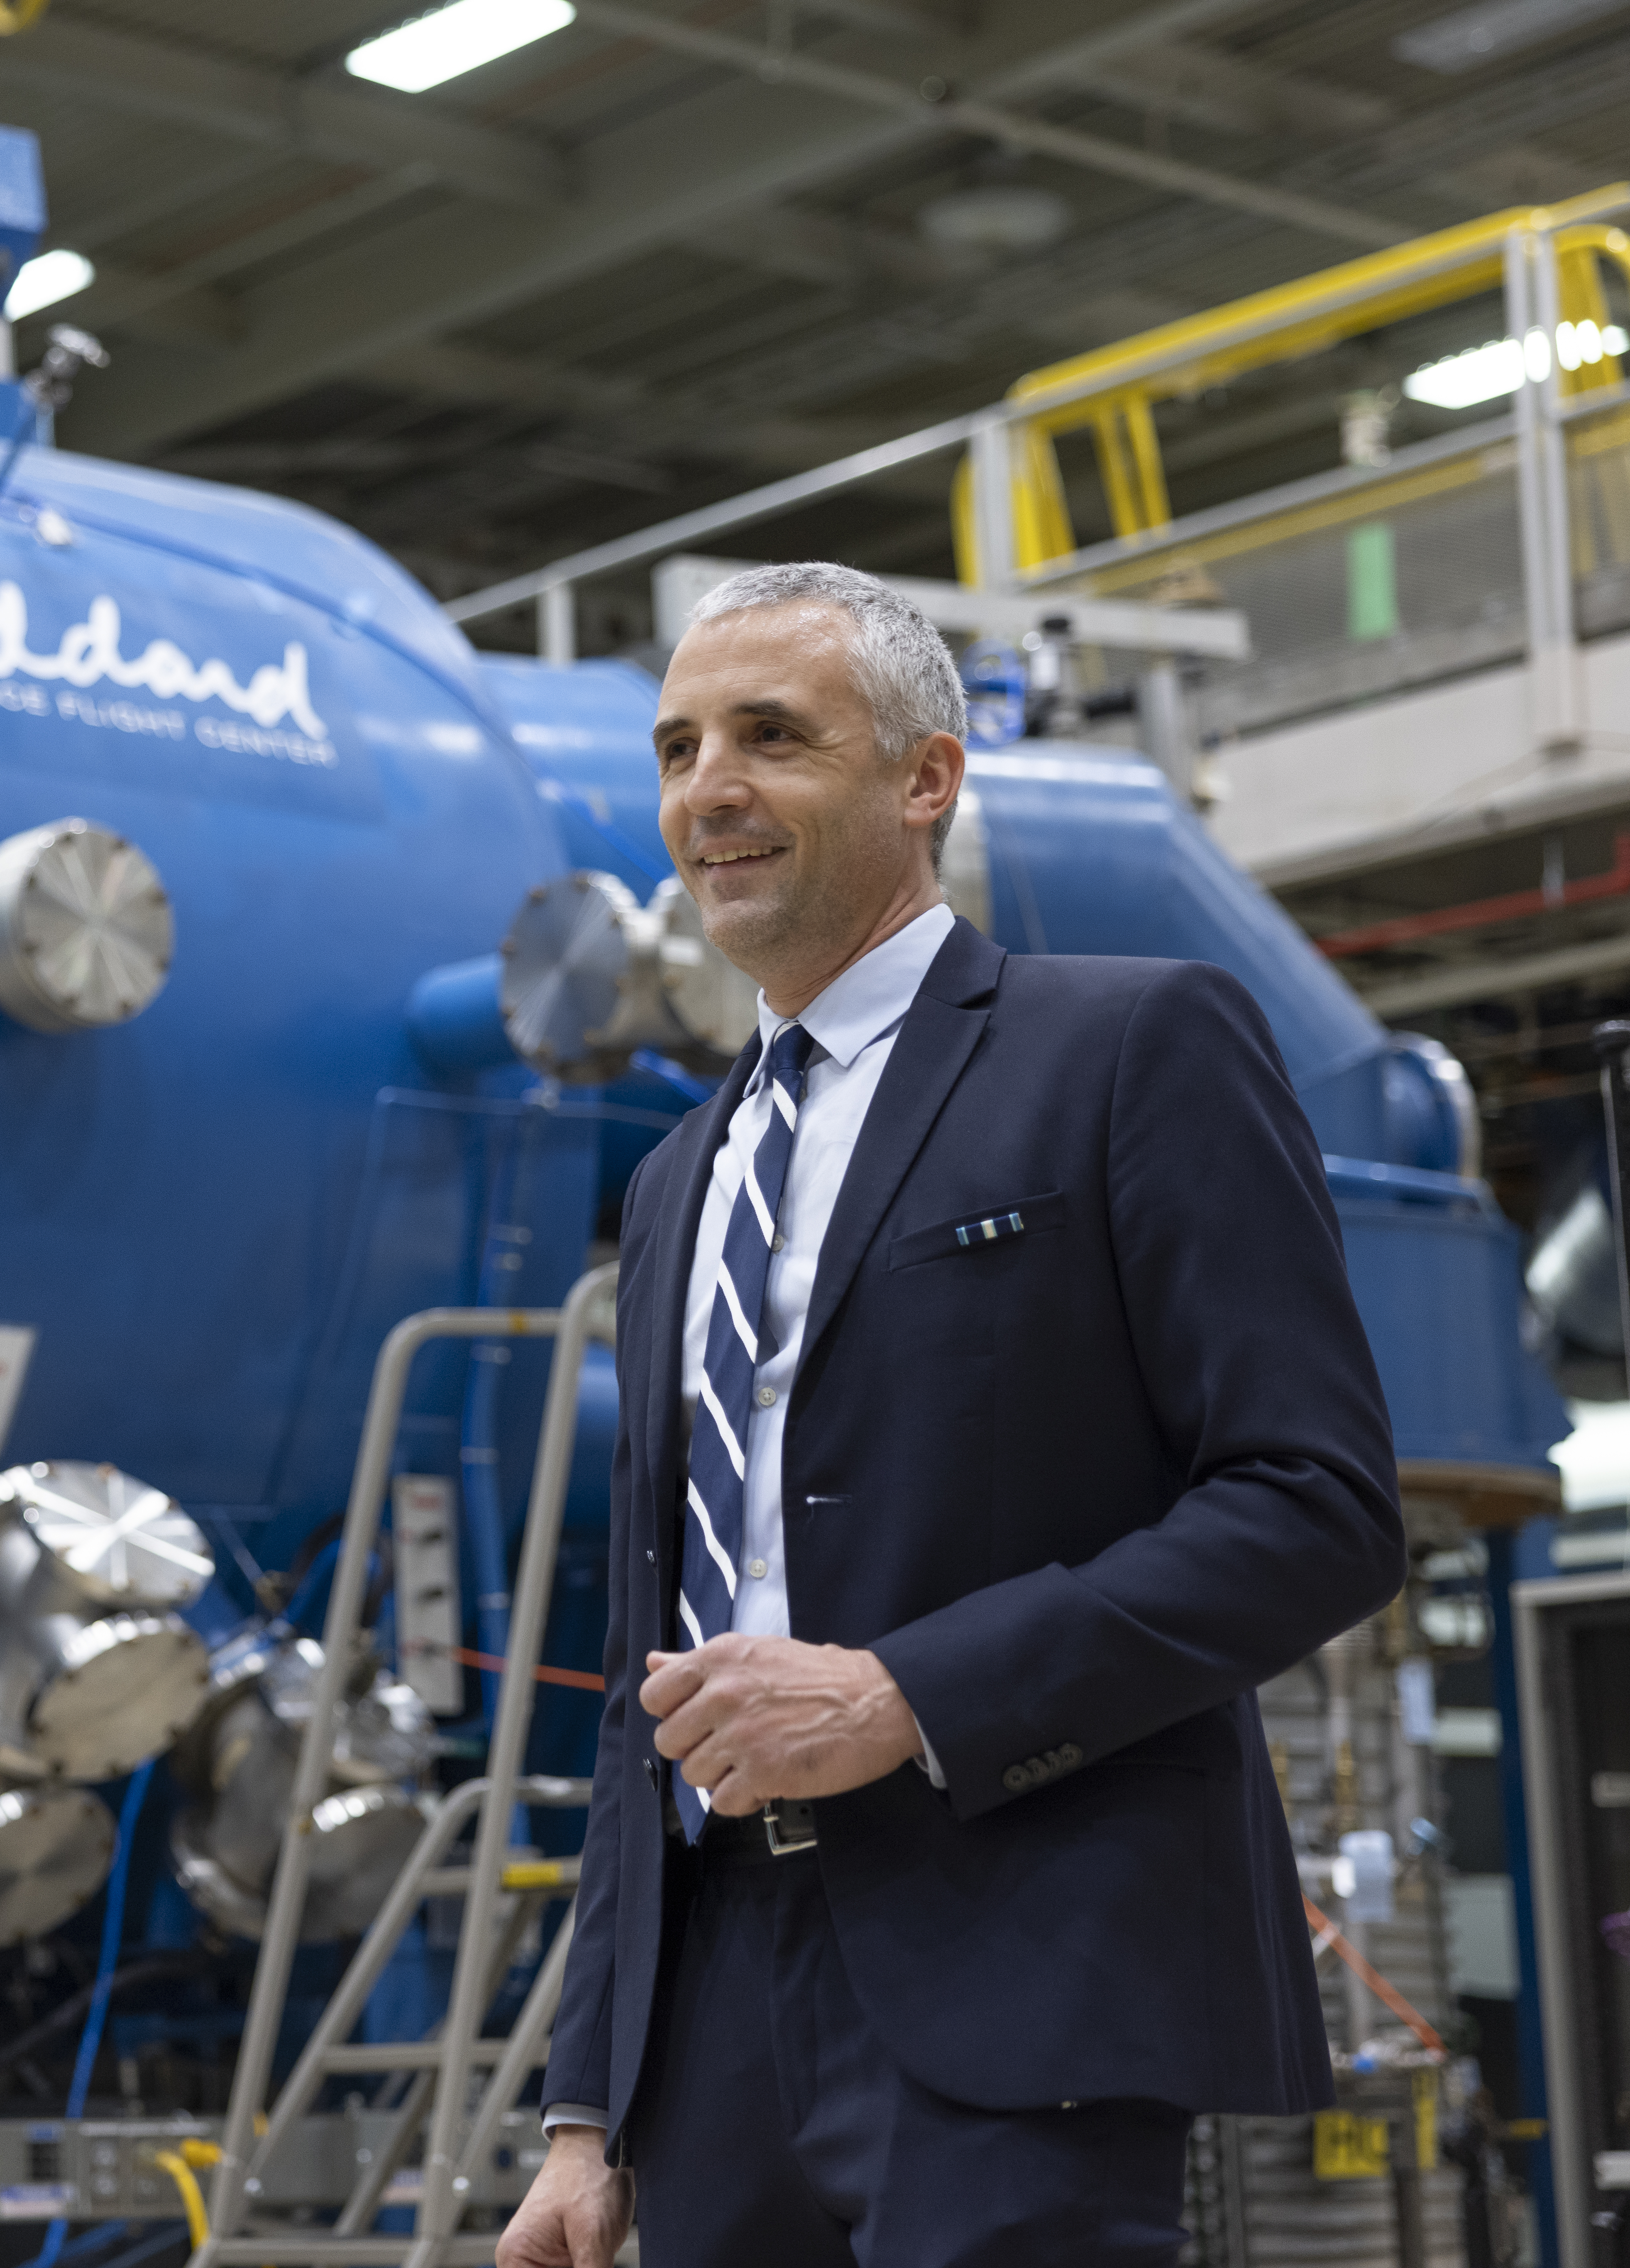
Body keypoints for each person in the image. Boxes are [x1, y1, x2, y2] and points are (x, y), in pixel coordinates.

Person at [493, 563, 1405, 2266]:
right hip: (709, 2035)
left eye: (770, 734)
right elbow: (651, 1673)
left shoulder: (1129, 1046)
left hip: (1017, 1983)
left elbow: (1315, 1504)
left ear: (925, 777)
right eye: (678, 746)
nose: (709, 790)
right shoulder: (681, 1177)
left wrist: (907, 1693)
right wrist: (584, 2105)